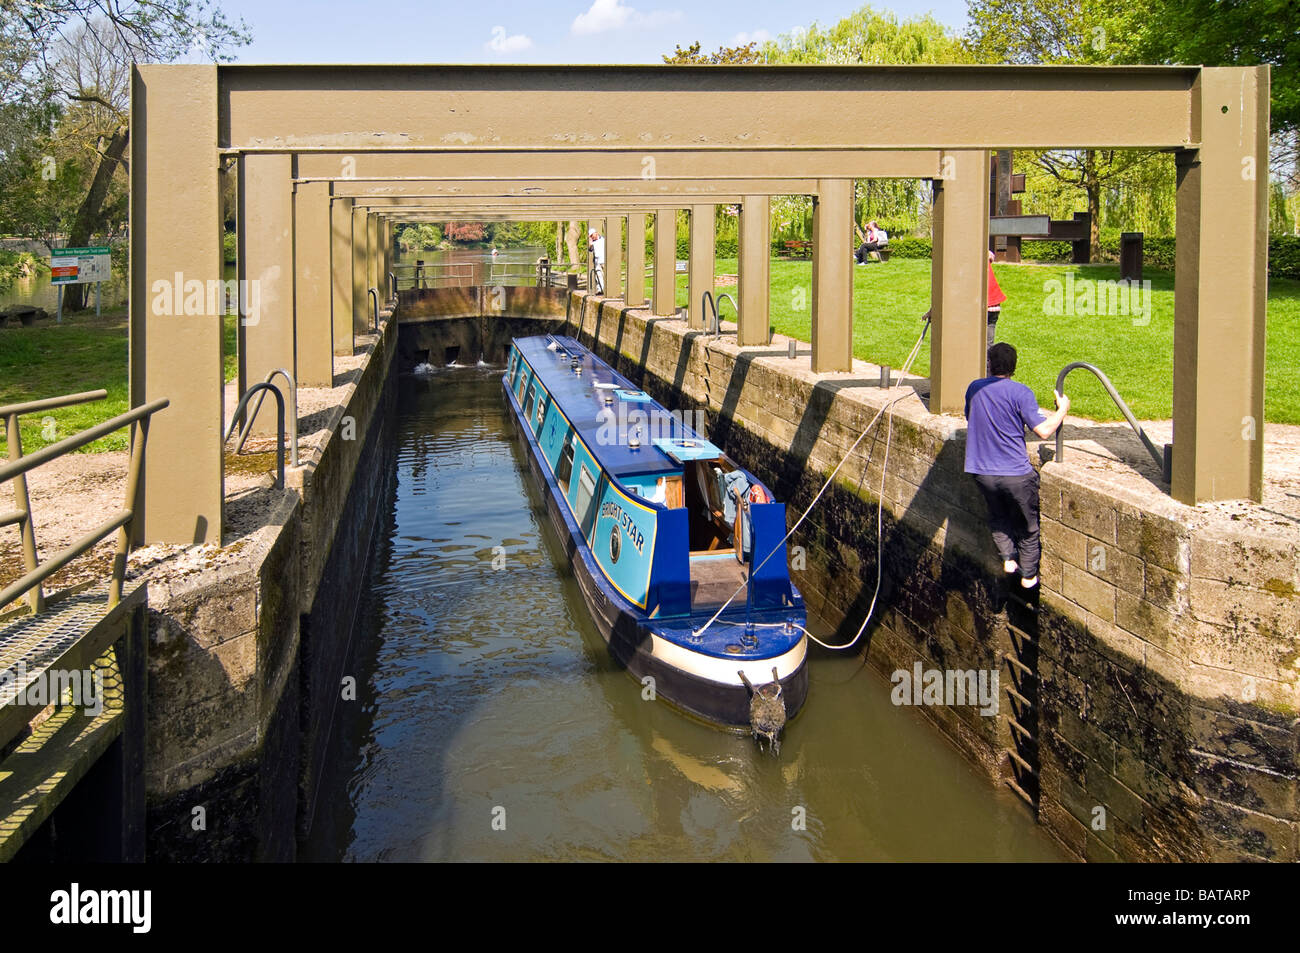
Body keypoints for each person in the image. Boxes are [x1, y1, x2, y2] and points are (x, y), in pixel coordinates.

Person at [965, 342, 1069, 590]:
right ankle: (1028, 575)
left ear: (989, 364)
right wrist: (1062, 410)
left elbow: (971, 417)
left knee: (998, 516)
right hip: (1015, 473)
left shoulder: (974, 388)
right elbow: (1043, 431)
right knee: (1028, 526)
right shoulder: (1021, 392)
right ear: (1014, 366)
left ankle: (1008, 559)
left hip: (982, 471)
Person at [986, 250, 1007, 367]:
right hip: (994, 304)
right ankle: (988, 376)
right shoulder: (984, 252)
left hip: (985, 304)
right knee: (988, 346)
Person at [588, 227, 606, 293]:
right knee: (598, 275)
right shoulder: (592, 242)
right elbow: (590, 249)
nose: (591, 237)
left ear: (596, 233)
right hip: (597, 261)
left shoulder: (603, 240)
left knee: (605, 275)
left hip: (604, 260)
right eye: (590, 236)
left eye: (592, 235)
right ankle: (600, 289)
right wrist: (590, 243)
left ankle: (607, 289)